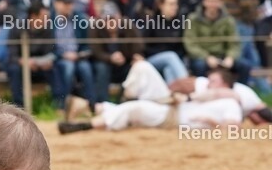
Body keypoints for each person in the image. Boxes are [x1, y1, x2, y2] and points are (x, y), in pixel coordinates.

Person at [58, 59, 244, 133]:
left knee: (135, 108)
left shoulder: (231, 103)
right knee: (143, 66)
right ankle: (122, 98)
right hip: (170, 103)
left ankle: (87, 123)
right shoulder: (207, 91)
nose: (208, 83)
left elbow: (233, 129)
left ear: (225, 85)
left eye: (214, 81)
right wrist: (181, 96)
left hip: (172, 117)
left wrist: (212, 122)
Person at [183, 0, 251, 82]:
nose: (212, 4)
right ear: (204, 2)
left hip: (223, 56)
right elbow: (190, 44)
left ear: (220, 2)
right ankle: (203, 89)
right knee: (199, 66)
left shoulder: (228, 20)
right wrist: (206, 57)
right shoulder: (193, 19)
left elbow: (234, 43)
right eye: (210, 1)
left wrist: (230, 57)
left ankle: (238, 89)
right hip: (202, 57)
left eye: (215, 1)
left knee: (245, 65)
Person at [5, 0, 56, 108]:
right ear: (33, 16)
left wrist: (39, 62)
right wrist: (24, 62)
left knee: (57, 67)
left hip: (40, 67)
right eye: (44, 17)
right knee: (13, 69)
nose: (47, 20)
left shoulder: (48, 29)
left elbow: (49, 52)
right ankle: (19, 106)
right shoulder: (17, 28)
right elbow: (12, 55)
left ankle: (58, 104)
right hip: (21, 66)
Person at [88, 2, 143, 101]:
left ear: (119, 17)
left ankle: (126, 100)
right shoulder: (96, 27)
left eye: (113, 19)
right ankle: (102, 102)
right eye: (107, 20)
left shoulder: (127, 25)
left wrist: (136, 55)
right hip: (105, 63)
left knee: (136, 66)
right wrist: (110, 57)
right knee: (102, 68)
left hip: (125, 62)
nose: (110, 22)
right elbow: (96, 51)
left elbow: (138, 44)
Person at [52, 0, 96, 108]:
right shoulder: (49, 20)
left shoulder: (80, 18)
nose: (68, 6)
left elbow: (86, 44)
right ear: (56, 4)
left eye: (70, 3)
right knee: (68, 68)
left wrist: (79, 54)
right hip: (59, 57)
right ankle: (62, 105)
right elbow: (48, 47)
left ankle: (92, 105)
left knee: (86, 68)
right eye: (65, 3)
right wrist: (62, 55)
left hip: (78, 56)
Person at [142, 0, 189, 82]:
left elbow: (182, 47)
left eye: (176, 4)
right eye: (171, 4)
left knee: (169, 68)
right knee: (170, 56)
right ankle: (187, 84)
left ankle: (172, 90)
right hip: (153, 59)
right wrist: (164, 52)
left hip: (174, 60)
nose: (175, 7)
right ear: (161, 5)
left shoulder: (180, 22)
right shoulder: (152, 22)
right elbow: (144, 47)